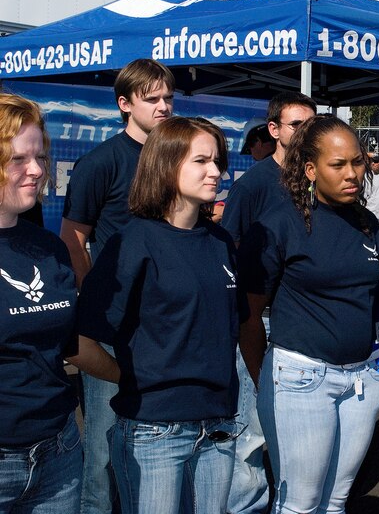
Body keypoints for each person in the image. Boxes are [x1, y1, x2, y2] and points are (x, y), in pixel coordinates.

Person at [74, 116, 245, 514]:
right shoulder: (133, 242)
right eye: (201, 161)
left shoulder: (220, 242)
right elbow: (79, 342)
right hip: (155, 431)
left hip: (219, 425)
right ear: (167, 165)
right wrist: (128, 376)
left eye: (217, 160)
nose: (216, 171)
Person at [237, 115, 379, 514]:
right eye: (337, 165)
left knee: (336, 501)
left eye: (357, 162)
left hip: (360, 381)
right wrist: (264, 381)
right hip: (301, 380)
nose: (352, 174)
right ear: (310, 169)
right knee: (299, 504)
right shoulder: (278, 225)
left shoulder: (367, 224)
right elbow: (248, 317)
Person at [58, 58, 174, 514]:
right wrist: (98, 300)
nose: (164, 106)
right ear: (125, 104)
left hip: (163, 323)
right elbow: (73, 240)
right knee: (103, 450)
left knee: (158, 442)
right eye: (153, 98)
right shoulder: (100, 162)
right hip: (112, 326)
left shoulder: (173, 159)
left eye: (168, 97)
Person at [220, 91, 316, 514]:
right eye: (298, 124)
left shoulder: (317, 181)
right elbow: (230, 245)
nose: (306, 132)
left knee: (298, 430)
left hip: (305, 321)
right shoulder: (255, 183)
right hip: (262, 320)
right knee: (252, 430)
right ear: (274, 129)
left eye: (312, 123)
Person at [0, 94, 82, 513]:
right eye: (18, 159)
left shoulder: (49, 247)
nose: (36, 170)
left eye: (40, 156)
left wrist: (128, 376)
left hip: (59, 449)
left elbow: (69, 344)